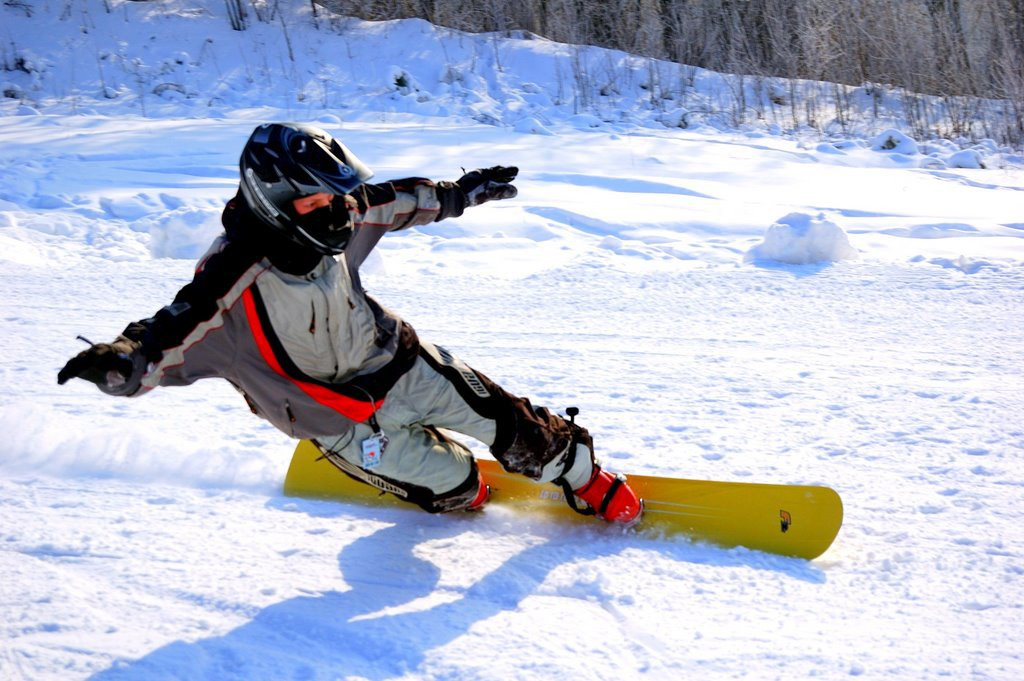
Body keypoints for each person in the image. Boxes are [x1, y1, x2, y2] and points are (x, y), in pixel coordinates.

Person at [57, 122, 642, 524]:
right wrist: (118, 363)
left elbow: (399, 199)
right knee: (456, 486)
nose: (340, 209)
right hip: (337, 420)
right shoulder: (230, 285)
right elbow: (160, 341)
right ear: (273, 198)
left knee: (511, 424)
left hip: (400, 364)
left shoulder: (339, 214)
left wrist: (462, 193)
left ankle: (585, 478)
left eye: (338, 196)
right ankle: (451, 483)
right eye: (319, 200)